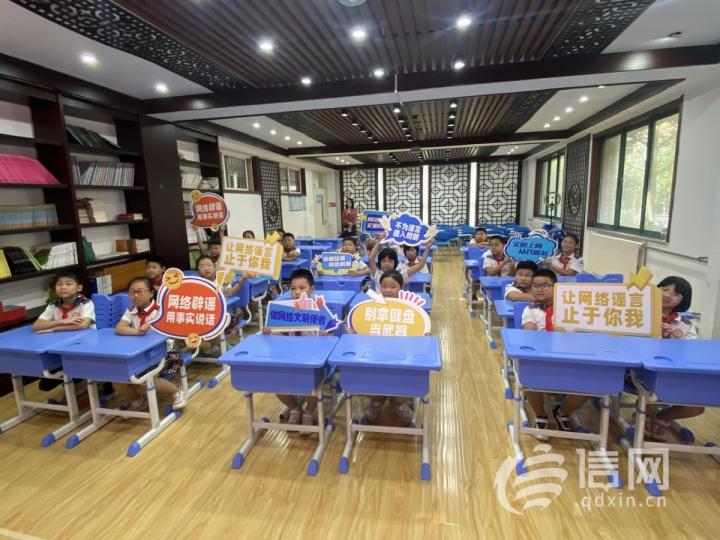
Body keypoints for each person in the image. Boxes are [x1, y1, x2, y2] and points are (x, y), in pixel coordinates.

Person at [521, 268, 587, 437]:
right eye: (535, 285)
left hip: (570, 356)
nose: (539, 289)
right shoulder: (530, 310)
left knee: (592, 380)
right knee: (528, 374)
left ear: (556, 287)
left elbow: (581, 335)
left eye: (545, 285)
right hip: (542, 357)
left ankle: (562, 412)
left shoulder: (572, 309)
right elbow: (531, 336)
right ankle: (540, 414)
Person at [113, 277, 187, 411]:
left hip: (166, 353)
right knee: (117, 382)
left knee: (146, 380)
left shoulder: (161, 310)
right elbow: (120, 328)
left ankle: (177, 390)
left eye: (140, 292)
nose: (135, 296)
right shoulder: (131, 310)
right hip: (141, 353)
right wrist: (139, 332)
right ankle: (138, 400)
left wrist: (143, 332)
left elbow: (170, 332)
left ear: (151, 293)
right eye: (132, 292)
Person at [262, 269, 323, 426]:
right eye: (293, 288)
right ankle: (295, 408)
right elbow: (279, 335)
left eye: (302, 288)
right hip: (288, 356)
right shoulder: (284, 309)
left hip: (313, 358)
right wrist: (270, 332)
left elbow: (331, 336)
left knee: (315, 382)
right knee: (274, 381)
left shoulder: (320, 310)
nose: (297, 292)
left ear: (312, 289)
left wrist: (324, 333)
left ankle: (309, 411)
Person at [356, 270, 417, 426]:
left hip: (402, 359)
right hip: (376, 357)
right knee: (374, 389)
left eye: (393, 287)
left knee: (400, 393)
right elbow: (362, 332)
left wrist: (424, 334)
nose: (388, 290)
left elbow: (418, 335)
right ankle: (377, 402)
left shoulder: (411, 309)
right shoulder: (370, 308)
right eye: (383, 286)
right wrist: (354, 330)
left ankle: (399, 404)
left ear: (401, 288)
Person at [643, 276, 701, 441]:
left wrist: (673, 337)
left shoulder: (684, 322)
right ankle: (646, 417)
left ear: (683, 300)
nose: (668, 295)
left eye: (676, 294)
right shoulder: (641, 312)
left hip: (676, 371)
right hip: (645, 370)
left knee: (698, 405)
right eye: (665, 289)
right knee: (652, 394)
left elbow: (692, 347)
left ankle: (664, 418)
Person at [32, 271, 95, 393]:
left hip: (84, 345)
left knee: (72, 372)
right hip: (61, 346)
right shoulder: (53, 305)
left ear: (79, 287)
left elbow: (83, 325)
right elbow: (37, 326)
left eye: (68, 284)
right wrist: (62, 322)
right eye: (59, 284)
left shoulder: (86, 303)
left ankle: (76, 383)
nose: (63, 287)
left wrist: (54, 328)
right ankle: (69, 382)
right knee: (46, 382)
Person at [367, 231, 432, 291]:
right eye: (384, 261)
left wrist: (427, 248)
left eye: (390, 261)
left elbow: (420, 265)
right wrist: (379, 241)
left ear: (395, 263)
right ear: (380, 263)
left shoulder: (401, 274)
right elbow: (371, 259)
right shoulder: (377, 274)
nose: (387, 264)